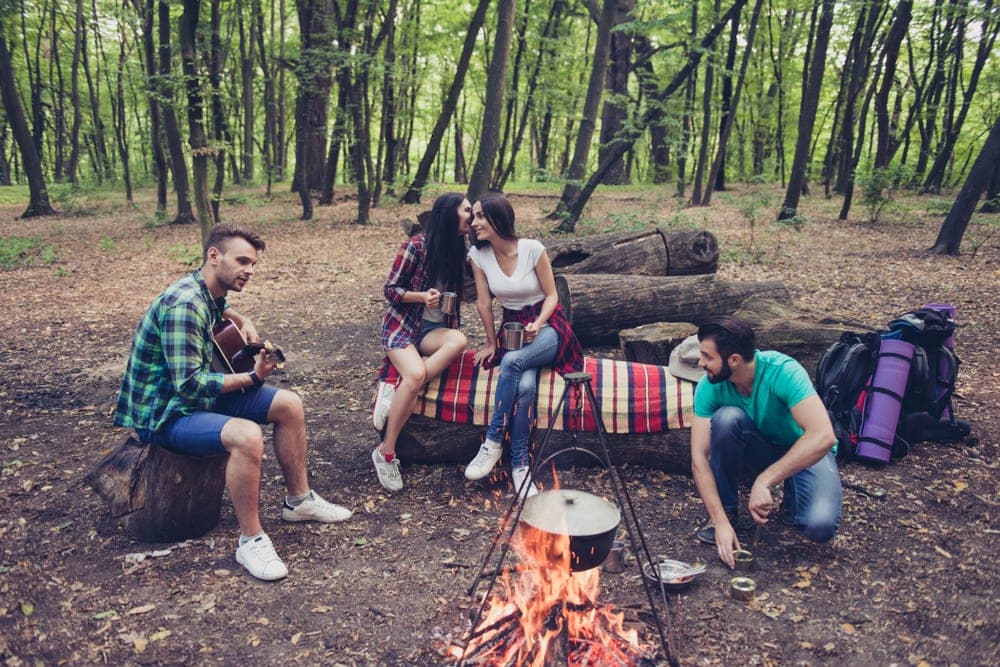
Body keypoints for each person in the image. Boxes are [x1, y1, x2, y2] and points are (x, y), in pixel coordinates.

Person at [113, 223, 353, 582]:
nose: (249, 271)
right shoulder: (184, 306)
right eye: (242, 261)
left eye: (253, 264)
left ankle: (299, 502)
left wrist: (242, 318)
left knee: (289, 404)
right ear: (214, 255)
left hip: (193, 402)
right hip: (166, 413)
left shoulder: (207, 292)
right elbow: (190, 386)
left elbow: (218, 311)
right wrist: (253, 378)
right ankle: (250, 540)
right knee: (246, 436)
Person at [689, 315, 842, 569]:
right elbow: (698, 458)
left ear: (734, 360)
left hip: (805, 451)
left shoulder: (782, 371)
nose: (701, 362)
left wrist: (765, 481)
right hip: (759, 448)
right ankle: (729, 511)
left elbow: (823, 435)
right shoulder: (710, 386)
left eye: (707, 356)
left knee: (819, 526)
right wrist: (719, 521)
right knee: (727, 420)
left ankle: (792, 495)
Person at [464, 192, 583, 498]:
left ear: (498, 218)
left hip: (549, 326)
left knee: (512, 363)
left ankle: (492, 442)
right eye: (473, 216)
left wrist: (540, 323)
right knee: (525, 386)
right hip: (513, 328)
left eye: (480, 216)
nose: (473, 222)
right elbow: (483, 304)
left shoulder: (532, 249)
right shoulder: (478, 256)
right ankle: (520, 466)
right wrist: (492, 342)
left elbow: (553, 295)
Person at [372, 193, 471, 491]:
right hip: (402, 328)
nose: (472, 216)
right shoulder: (415, 245)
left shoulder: (459, 250)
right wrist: (422, 296)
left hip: (432, 331)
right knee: (415, 375)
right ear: (449, 213)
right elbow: (390, 290)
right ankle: (386, 452)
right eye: (467, 210)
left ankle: (395, 391)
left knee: (459, 340)